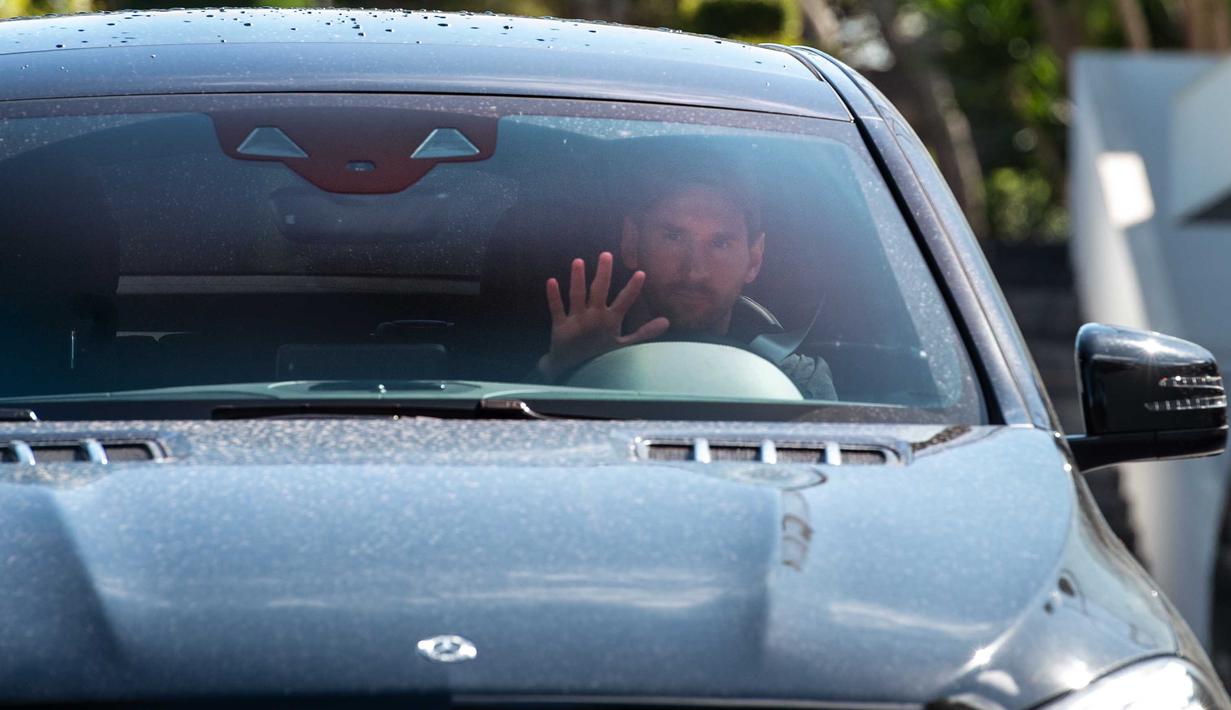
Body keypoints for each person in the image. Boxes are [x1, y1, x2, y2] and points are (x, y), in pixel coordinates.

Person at [534, 168, 837, 400]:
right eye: (673, 237)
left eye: (720, 243)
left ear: (754, 259)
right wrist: (561, 372)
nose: (695, 271)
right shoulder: (528, 351)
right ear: (631, 243)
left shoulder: (797, 384)